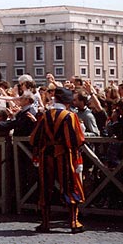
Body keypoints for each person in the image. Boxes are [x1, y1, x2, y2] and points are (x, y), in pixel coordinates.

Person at [30, 87, 85, 234]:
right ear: (67, 103)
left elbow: (34, 138)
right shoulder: (70, 116)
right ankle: (74, 222)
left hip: (46, 155)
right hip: (64, 155)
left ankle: (45, 223)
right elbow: (77, 139)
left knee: (45, 187)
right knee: (70, 186)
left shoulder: (44, 115)